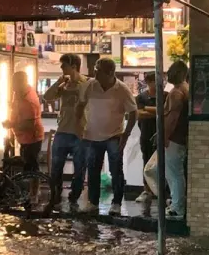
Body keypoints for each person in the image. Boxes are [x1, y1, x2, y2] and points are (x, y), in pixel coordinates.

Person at [81, 58, 137, 216]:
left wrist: (125, 135)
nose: (95, 74)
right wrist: (80, 128)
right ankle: (93, 202)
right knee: (93, 171)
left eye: (98, 71)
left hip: (114, 136)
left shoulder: (122, 89)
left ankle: (116, 203)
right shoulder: (90, 85)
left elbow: (133, 113)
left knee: (116, 170)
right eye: (95, 70)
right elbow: (80, 105)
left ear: (110, 73)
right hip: (92, 136)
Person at [139, 61, 190, 219]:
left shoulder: (176, 93)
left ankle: (177, 207)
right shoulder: (184, 89)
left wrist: (164, 136)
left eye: (172, 72)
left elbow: (172, 118)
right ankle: (174, 201)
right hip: (175, 138)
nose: (169, 75)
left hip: (173, 139)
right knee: (161, 171)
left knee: (173, 174)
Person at [43, 53, 87, 212]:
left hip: (80, 132)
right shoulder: (63, 84)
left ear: (73, 66)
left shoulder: (86, 83)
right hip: (62, 131)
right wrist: (59, 82)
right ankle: (55, 195)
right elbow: (47, 97)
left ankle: (74, 196)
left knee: (79, 168)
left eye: (64, 65)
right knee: (56, 167)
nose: (61, 68)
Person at [3, 71, 45, 202]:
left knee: (32, 167)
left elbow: (29, 125)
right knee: (28, 164)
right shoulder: (19, 93)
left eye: (14, 83)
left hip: (32, 138)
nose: (12, 86)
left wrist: (11, 124)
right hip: (24, 137)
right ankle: (29, 192)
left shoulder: (28, 100)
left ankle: (33, 195)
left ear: (21, 83)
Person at [134, 72, 157, 204]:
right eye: (154, 81)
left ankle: (164, 193)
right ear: (148, 82)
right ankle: (147, 190)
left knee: (163, 164)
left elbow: (167, 112)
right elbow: (139, 114)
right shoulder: (141, 97)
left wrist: (147, 110)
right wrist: (158, 112)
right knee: (146, 162)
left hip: (163, 134)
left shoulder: (166, 96)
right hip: (146, 134)